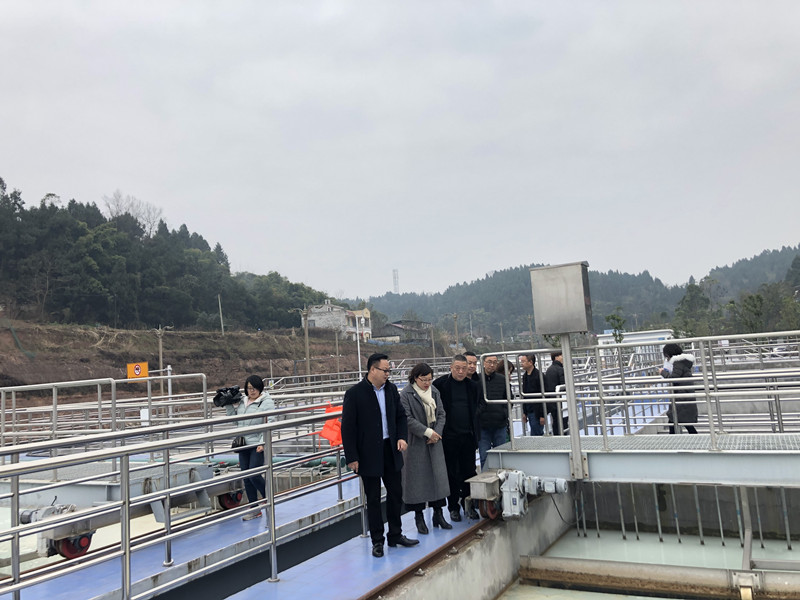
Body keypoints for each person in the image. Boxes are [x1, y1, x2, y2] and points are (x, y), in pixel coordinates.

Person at [341, 353, 419, 558]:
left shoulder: (391, 390)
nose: (387, 374)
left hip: (390, 449)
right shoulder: (355, 394)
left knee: (395, 494)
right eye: (385, 370)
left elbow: (401, 416)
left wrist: (401, 437)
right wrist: (352, 457)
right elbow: (347, 428)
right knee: (374, 498)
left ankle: (395, 534)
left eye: (389, 371)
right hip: (368, 453)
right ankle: (377, 541)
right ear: (372, 370)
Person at [399, 363, 451, 534]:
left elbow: (441, 413)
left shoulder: (434, 391)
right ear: (415, 378)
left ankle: (438, 513)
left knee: (437, 478)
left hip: (434, 441)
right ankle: (419, 517)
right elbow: (407, 418)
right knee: (417, 480)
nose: (427, 383)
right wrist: (427, 432)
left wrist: (437, 433)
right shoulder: (406, 394)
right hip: (416, 442)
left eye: (429, 379)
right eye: (424, 380)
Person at [433, 355, 480, 522]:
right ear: (451, 368)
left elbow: (479, 405)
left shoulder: (473, 386)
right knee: (451, 473)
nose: (461, 372)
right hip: (449, 437)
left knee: (469, 472)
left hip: (468, 436)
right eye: (457, 368)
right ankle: (453, 507)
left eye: (464, 368)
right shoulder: (440, 385)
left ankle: (469, 505)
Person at [226, 375, 275, 520]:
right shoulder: (243, 401)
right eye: (249, 388)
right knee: (246, 477)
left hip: (257, 444)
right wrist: (228, 403)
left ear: (260, 388)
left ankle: (268, 497)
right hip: (243, 444)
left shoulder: (266, 402)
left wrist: (262, 442)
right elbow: (234, 420)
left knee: (254, 474)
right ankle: (254, 509)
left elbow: (270, 422)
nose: (251, 391)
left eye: (254, 388)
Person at [476, 354, 509, 468]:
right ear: (483, 363)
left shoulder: (502, 379)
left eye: (495, 362)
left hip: (499, 424)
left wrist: (504, 413)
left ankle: (501, 477)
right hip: (482, 425)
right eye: (489, 362)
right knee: (484, 457)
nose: (492, 365)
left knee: (501, 456)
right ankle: (486, 478)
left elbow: (509, 398)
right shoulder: (476, 380)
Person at [659, 343, 698, 434]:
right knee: (681, 421)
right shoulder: (683, 362)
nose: (667, 358)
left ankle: (674, 439)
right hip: (684, 394)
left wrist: (663, 372)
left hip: (681, 395)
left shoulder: (678, 363)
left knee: (674, 420)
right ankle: (676, 438)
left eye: (666, 356)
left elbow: (674, 378)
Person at [520, 354, 545, 436]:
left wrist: (542, 414)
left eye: (523, 361)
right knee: (534, 433)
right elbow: (524, 394)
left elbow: (544, 395)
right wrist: (524, 412)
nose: (521, 364)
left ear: (530, 362)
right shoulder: (525, 376)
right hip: (529, 409)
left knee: (537, 434)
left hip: (537, 410)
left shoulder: (539, 376)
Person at [544, 351, 568, 435]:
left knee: (555, 422)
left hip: (552, 400)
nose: (563, 358)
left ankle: (557, 437)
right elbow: (564, 386)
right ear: (556, 357)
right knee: (563, 423)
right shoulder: (560, 369)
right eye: (561, 355)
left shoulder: (549, 370)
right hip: (561, 401)